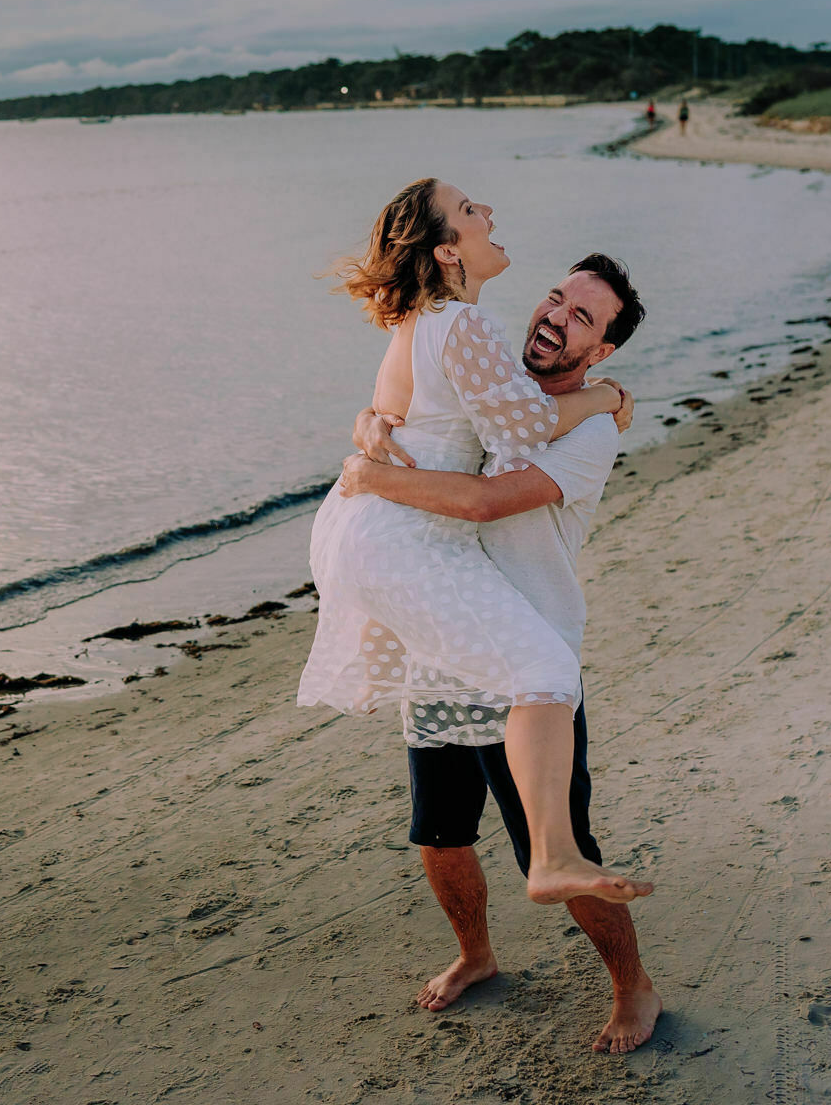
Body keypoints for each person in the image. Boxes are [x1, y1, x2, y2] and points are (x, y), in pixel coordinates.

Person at [298, 178, 654, 912]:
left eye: (581, 316)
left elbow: (438, 424)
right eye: (469, 211)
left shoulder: (435, 324)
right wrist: (608, 395)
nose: (488, 212)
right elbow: (520, 429)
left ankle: (558, 870)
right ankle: (547, 865)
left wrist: (369, 438)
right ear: (448, 251)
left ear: (602, 346)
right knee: (540, 682)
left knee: (541, 679)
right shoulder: (467, 329)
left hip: (410, 550)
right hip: (414, 548)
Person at [339, 255, 662, 1053]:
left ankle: (634, 988)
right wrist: (371, 426)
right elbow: (411, 407)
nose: (557, 316)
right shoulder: (495, 387)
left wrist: (369, 477)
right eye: (556, 298)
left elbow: (485, 502)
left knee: (557, 851)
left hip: (529, 665)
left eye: (583, 318)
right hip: (448, 644)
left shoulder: (590, 430)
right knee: (439, 832)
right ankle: (476, 954)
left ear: (601, 350)